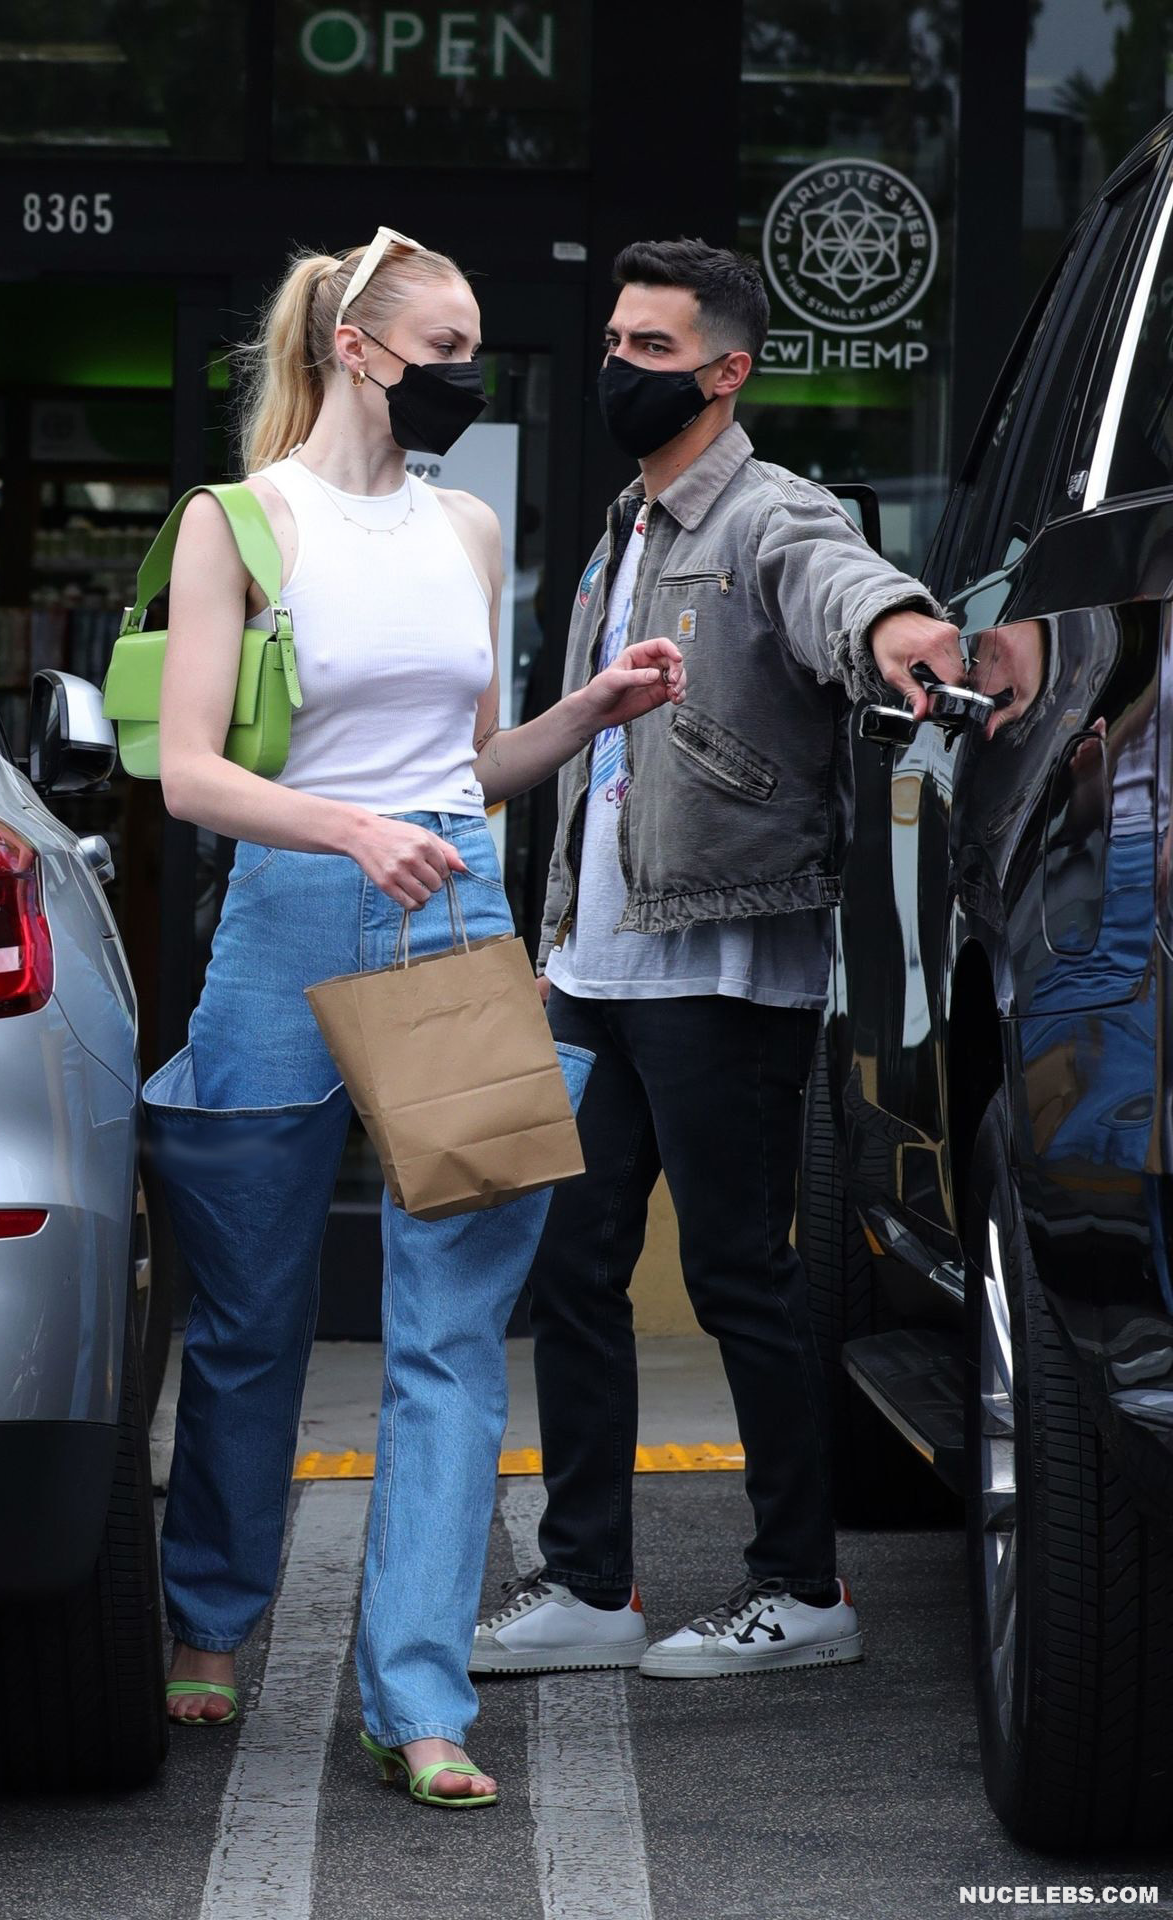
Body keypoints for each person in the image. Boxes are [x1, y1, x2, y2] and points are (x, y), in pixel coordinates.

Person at [144, 226, 686, 1803]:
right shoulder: (239, 520)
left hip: (452, 915)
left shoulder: (464, 523)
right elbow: (189, 772)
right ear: (356, 347)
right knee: (248, 1315)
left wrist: (583, 717)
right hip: (287, 922)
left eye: (473, 346)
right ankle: (211, 1616)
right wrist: (349, 830)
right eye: (443, 346)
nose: (468, 371)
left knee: (451, 1337)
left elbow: (472, 765)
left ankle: (420, 1699)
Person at [471, 236, 965, 1681]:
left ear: (728, 371)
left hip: (723, 964)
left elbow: (843, 585)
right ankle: (589, 1583)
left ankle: (801, 1588)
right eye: (614, 342)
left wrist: (901, 628)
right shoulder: (624, 524)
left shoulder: (770, 511)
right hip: (598, 963)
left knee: (741, 1275)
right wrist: (557, 935)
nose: (621, 367)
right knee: (573, 1267)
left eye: (653, 349)